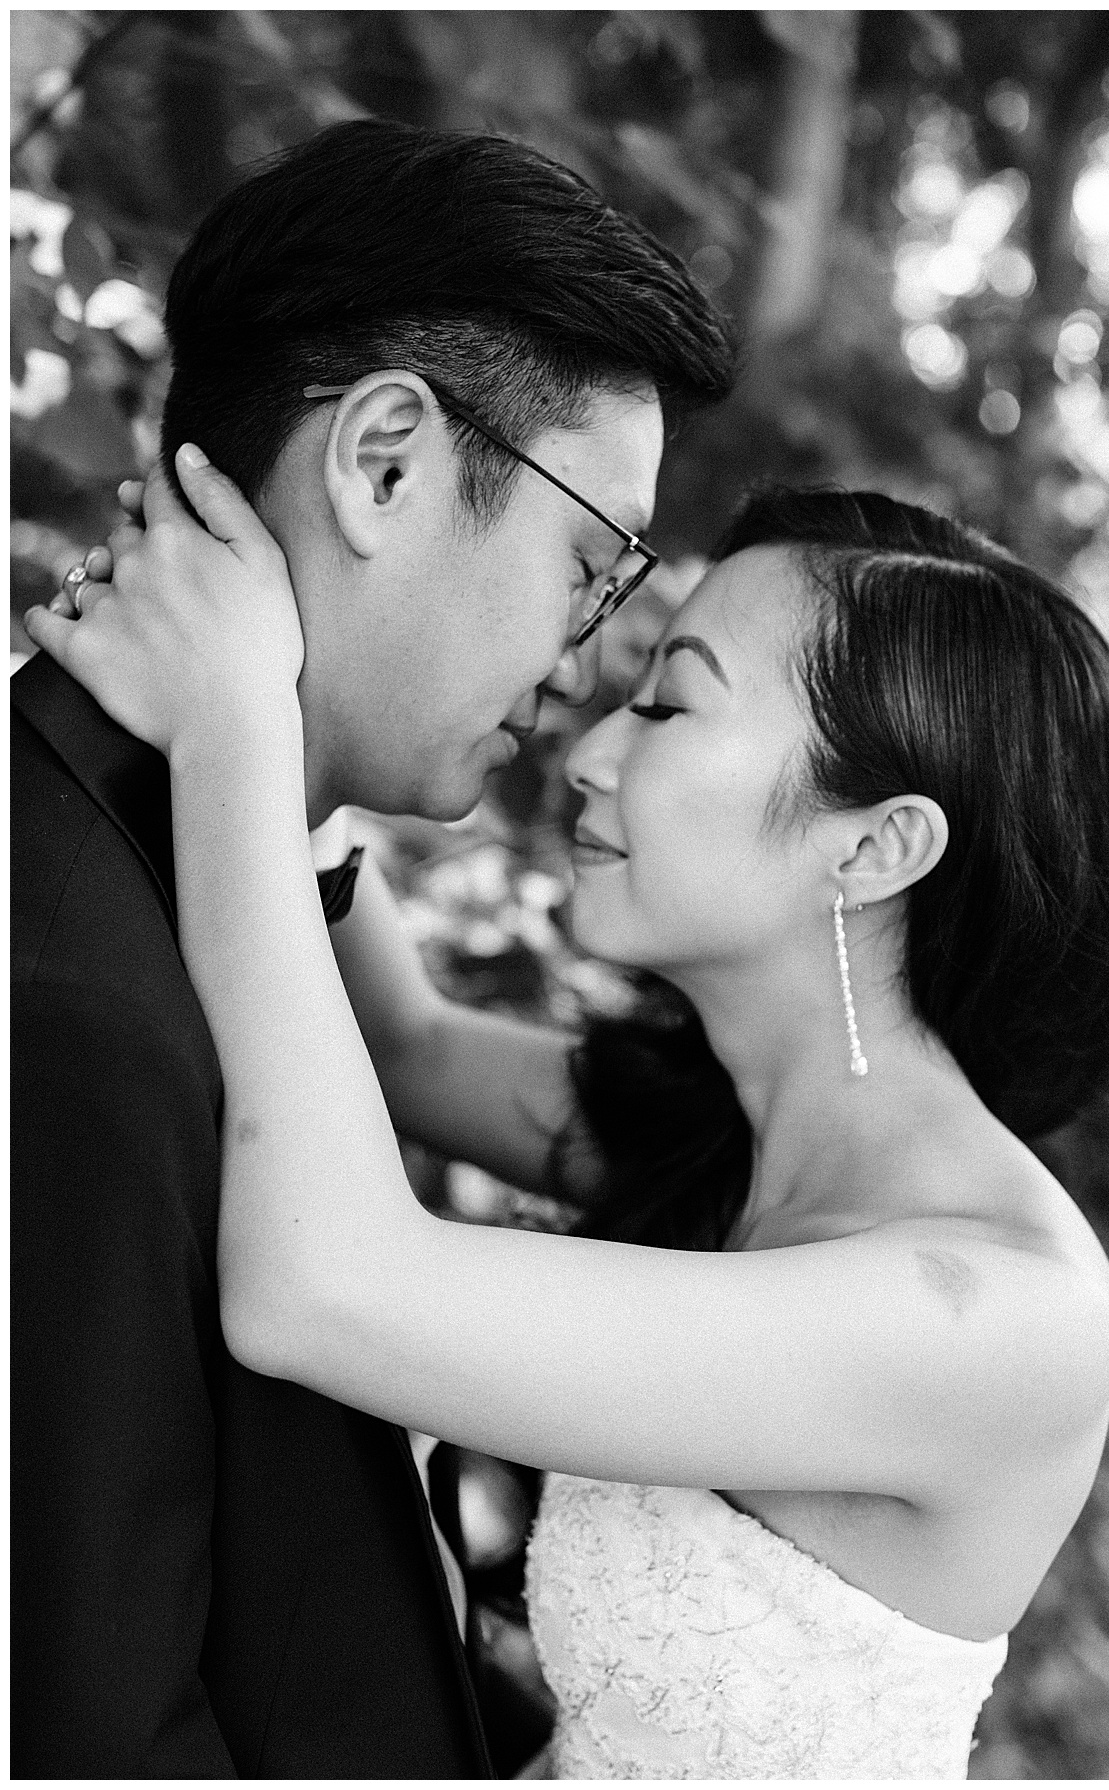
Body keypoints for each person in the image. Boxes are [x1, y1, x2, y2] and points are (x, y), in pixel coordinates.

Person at [27, 461, 1109, 1779]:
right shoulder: (725, 1143)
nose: (596, 747)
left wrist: (235, 733)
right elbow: (404, 1044)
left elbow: (321, 1286)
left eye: (669, 704)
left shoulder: (1005, 1318)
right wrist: (315, 705)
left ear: (874, 847)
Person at [10, 118, 734, 1777]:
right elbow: (89, 1727)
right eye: (593, 556)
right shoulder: (64, 1003)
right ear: (385, 460)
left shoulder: (204, 895)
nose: (595, 653)